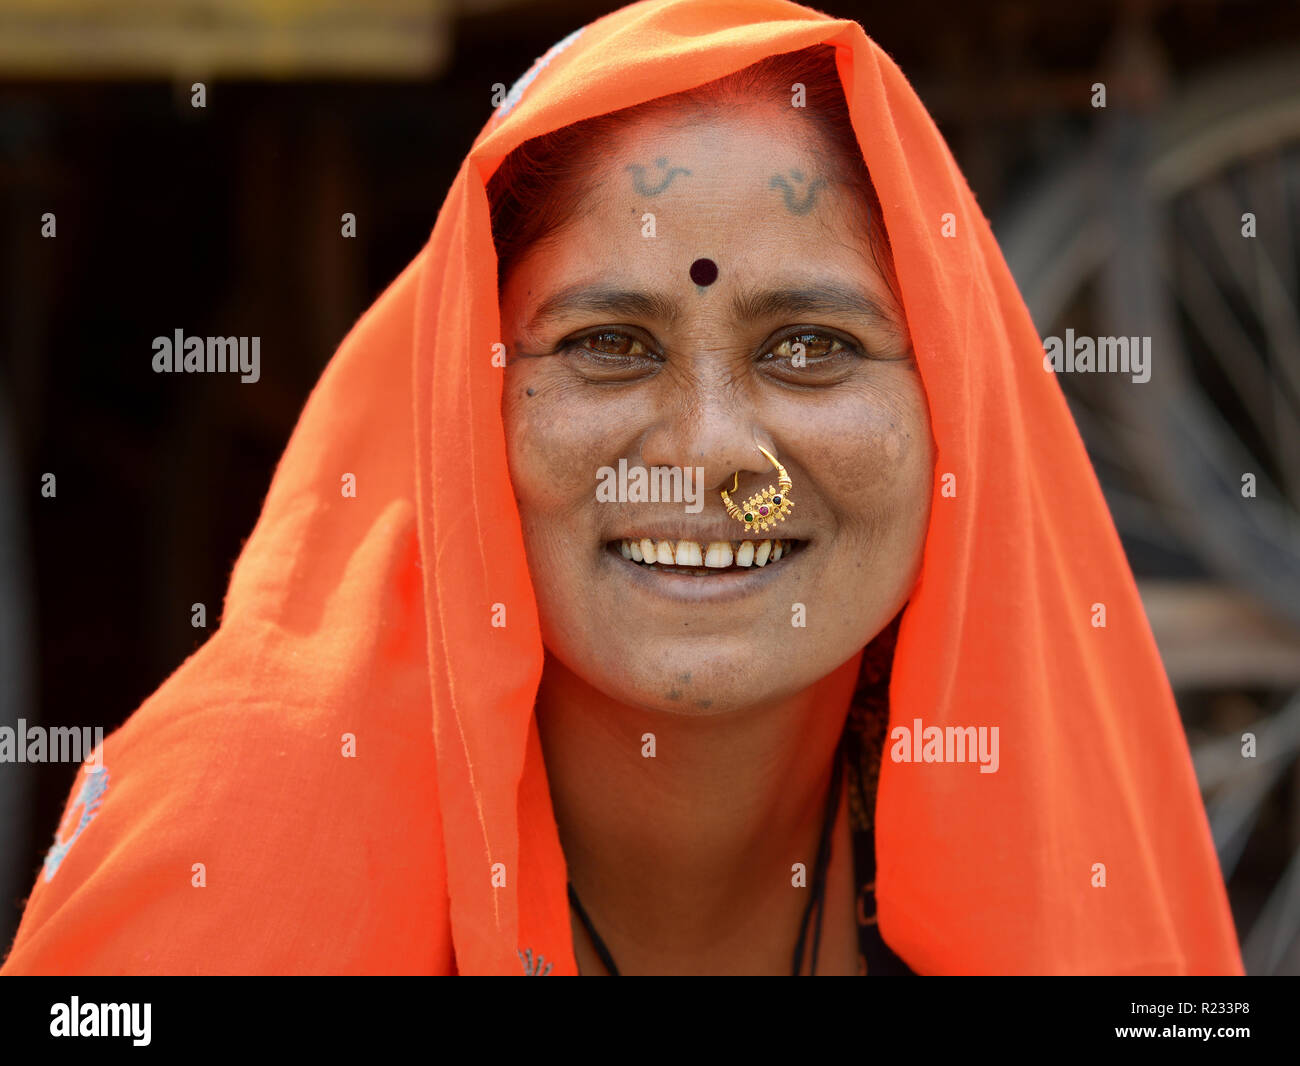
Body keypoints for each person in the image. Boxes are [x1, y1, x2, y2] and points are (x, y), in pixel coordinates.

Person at [2, 0, 1243, 976]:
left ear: (956, 408)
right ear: (464, 403)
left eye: (809, 346)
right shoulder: (236, 866)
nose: (710, 453)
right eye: (609, 344)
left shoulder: (1045, 843)